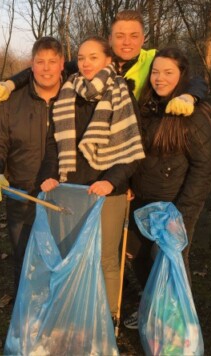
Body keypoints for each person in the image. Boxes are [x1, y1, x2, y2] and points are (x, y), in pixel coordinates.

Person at [38, 36, 145, 320]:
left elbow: (133, 150)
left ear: (108, 60)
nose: (86, 63)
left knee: (106, 258)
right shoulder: (67, 94)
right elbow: (53, 144)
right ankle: (76, 311)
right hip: (71, 189)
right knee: (72, 255)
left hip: (108, 192)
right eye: (82, 58)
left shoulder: (122, 94)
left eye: (94, 57)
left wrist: (111, 181)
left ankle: (109, 318)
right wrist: (50, 176)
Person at [123, 48, 211, 329]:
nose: (159, 78)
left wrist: (183, 212)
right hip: (142, 199)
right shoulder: (148, 106)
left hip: (174, 203)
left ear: (182, 76)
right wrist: (129, 183)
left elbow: (205, 168)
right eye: (155, 72)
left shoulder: (194, 112)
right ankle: (154, 310)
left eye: (168, 72)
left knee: (168, 260)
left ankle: (179, 328)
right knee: (138, 256)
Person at [0, 10, 207, 115]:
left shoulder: (152, 59)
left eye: (134, 36)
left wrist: (189, 97)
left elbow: (192, 78)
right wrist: (10, 84)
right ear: (110, 38)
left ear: (143, 39)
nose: (127, 42)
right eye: (120, 35)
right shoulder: (93, 62)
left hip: (137, 139)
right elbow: (46, 69)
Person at [0, 37, 65, 296]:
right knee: (24, 260)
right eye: (40, 61)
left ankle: (56, 318)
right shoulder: (13, 101)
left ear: (63, 64)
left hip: (64, 196)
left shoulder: (76, 95)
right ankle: (25, 319)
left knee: (61, 262)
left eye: (52, 61)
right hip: (22, 195)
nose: (46, 68)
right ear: (31, 65)